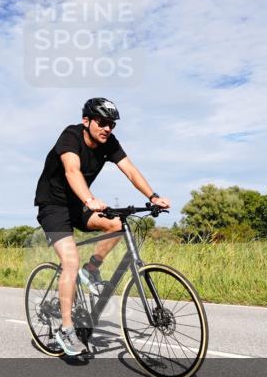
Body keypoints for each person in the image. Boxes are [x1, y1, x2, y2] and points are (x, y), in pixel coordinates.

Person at [34, 98, 170, 356]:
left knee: (117, 224)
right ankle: (66, 329)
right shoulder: (71, 136)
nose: (107, 128)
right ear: (87, 121)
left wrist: (153, 197)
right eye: (102, 122)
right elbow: (72, 171)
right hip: (53, 206)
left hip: (79, 205)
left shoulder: (109, 144)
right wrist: (89, 200)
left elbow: (130, 170)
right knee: (70, 262)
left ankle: (92, 268)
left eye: (112, 124)